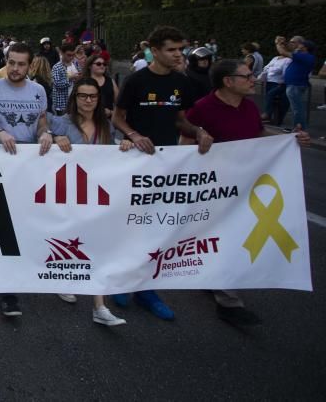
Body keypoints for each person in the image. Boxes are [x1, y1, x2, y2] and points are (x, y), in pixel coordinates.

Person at [185, 59, 310, 326]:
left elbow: (259, 133)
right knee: (223, 238)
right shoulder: (203, 109)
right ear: (228, 81)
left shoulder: (249, 107)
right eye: (247, 76)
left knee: (230, 238)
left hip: (245, 188)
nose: (253, 79)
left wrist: (289, 139)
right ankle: (229, 302)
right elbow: (184, 147)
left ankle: (212, 279)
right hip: (214, 189)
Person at [111, 26, 214, 321]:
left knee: (155, 227)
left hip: (166, 166)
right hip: (135, 162)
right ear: (154, 51)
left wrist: (198, 131)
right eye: (172, 49)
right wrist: (134, 133)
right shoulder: (135, 80)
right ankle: (121, 281)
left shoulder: (182, 82)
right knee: (131, 224)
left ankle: (147, 290)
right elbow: (118, 117)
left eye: (180, 49)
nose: (178, 54)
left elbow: (180, 119)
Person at [0, 42, 52, 318]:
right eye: (12, 63)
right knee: (0, 224)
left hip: (28, 165)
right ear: (6, 61)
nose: (16, 68)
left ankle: (22, 271)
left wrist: (46, 133)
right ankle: (7, 289)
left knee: (23, 221)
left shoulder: (38, 91)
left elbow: (41, 121)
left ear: (30, 65)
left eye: (21, 64)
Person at [50, 79, 132, 326]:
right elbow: (43, 137)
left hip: (96, 191)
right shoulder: (62, 122)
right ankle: (64, 280)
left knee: (97, 244)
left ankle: (99, 306)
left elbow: (111, 151)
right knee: (68, 239)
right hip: (67, 192)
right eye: (83, 96)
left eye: (93, 96)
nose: (88, 100)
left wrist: (124, 144)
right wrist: (54, 139)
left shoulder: (105, 125)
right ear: (74, 98)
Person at [278, 36, 316, 132]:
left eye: (301, 45)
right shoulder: (304, 55)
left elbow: (283, 52)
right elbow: (290, 49)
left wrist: (277, 43)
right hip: (295, 84)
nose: (298, 46)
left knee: (297, 108)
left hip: (295, 85)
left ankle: (299, 129)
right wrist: (284, 43)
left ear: (305, 47)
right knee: (296, 107)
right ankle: (297, 127)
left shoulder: (304, 56)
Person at [258, 38, 290, 125]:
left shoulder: (288, 60)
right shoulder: (275, 58)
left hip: (278, 83)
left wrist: (282, 81)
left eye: (282, 47)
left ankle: (269, 115)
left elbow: (285, 72)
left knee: (275, 98)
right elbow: (266, 67)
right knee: (270, 100)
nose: (280, 49)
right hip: (269, 82)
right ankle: (270, 117)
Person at [80, 53, 119, 118]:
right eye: (98, 64)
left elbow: (119, 103)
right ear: (90, 66)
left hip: (107, 121)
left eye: (104, 64)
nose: (102, 66)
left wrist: (110, 112)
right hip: (88, 120)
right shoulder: (83, 82)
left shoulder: (111, 81)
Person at [50, 43, 80, 115]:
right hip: (62, 103)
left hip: (74, 101)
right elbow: (57, 85)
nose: (71, 57)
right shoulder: (57, 67)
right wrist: (70, 78)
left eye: (73, 55)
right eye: (69, 55)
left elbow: (80, 75)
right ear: (62, 53)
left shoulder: (75, 64)